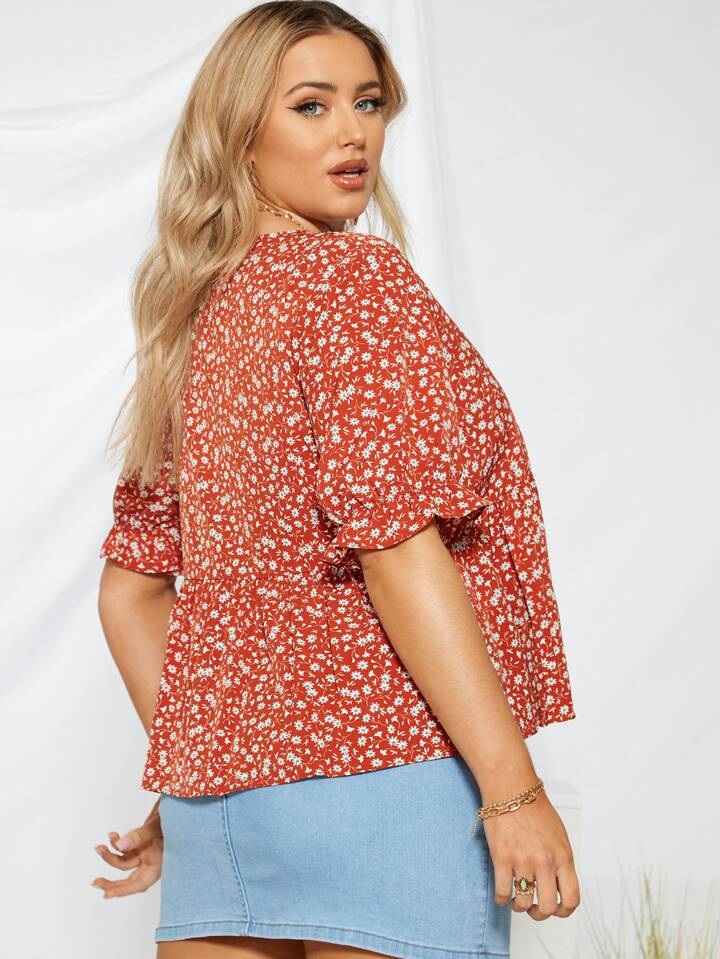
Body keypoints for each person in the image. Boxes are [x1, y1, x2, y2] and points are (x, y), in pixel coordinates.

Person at [92, 3, 580, 958]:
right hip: (387, 782)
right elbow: (395, 545)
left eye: (369, 101)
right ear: (240, 131)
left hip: (223, 816)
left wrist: (198, 766)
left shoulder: (194, 321)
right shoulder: (354, 283)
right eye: (311, 105)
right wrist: (513, 789)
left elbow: (130, 592)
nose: (353, 132)